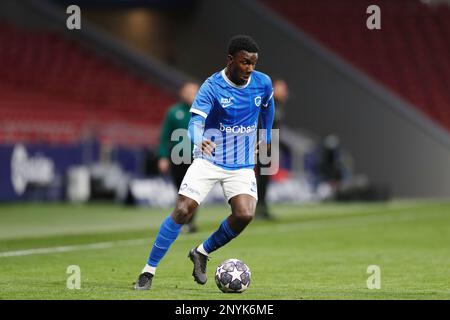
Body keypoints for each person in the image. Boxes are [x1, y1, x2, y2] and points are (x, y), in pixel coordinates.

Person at [134, 35, 275, 290]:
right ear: (231, 60)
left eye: (253, 63)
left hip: (241, 165)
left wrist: (265, 136)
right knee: (183, 209)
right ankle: (148, 270)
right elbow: (195, 123)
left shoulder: (262, 83)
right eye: (245, 63)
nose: (250, 69)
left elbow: (268, 107)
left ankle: (201, 252)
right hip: (209, 160)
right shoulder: (212, 86)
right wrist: (199, 140)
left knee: (245, 214)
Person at [157, 81, 199, 233]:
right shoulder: (174, 112)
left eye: (194, 92)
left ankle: (189, 222)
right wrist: (162, 156)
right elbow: (164, 136)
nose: (190, 95)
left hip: (197, 158)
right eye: (188, 92)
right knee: (181, 192)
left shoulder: (203, 111)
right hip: (177, 158)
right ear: (182, 93)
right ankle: (183, 221)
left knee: (194, 191)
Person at [255, 79, 289, 220]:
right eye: (281, 88)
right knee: (259, 177)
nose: (284, 92)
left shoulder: (279, 105)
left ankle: (262, 207)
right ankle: (255, 208)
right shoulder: (266, 102)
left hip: (271, 142)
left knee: (265, 177)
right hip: (262, 142)